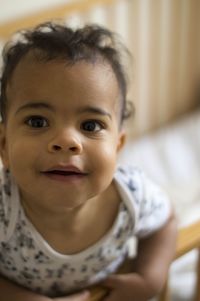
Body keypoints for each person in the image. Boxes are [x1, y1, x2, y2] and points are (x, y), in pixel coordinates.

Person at [0, 21, 177, 301]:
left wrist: (149, 278)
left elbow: (165, 223)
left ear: (117, 147)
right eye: (37, 121)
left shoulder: (132, 196)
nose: (67, 141)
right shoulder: (3, 206)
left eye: (91, 126)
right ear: (4, 145)